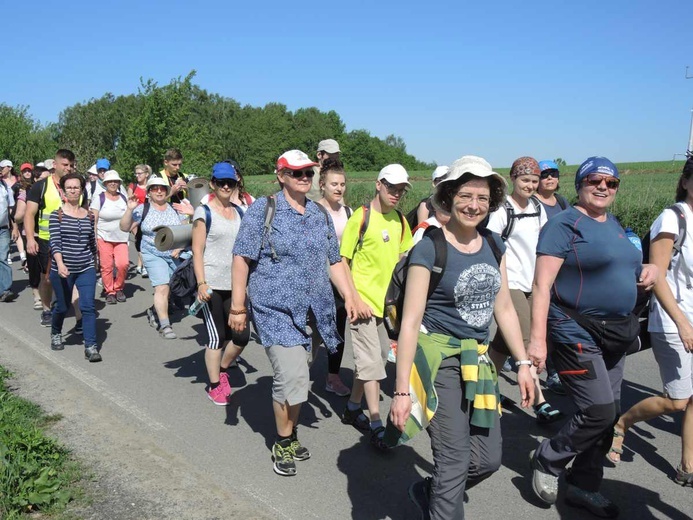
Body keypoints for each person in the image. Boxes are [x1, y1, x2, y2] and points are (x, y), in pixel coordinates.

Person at [389, 155, 534, 520]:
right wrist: (402, 390)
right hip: (440, 363)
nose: (474, 205)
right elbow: (410, 323)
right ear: (449, 196)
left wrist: (524, 363)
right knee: (453, 462)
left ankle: (432, 491)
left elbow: (504, 309)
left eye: (483, 198)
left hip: (479, 363)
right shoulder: (430, 247)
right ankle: (443, 502)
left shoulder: (493, 244)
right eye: (466, 195)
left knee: (488, 460)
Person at [527, 156, 657, 518]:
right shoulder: (563, 224)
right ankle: (549, 458)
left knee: (609, 411)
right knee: (599, 409)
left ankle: (584, 485)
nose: (602, 187)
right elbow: (541, 286)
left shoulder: (613, 224)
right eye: (594, 180)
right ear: (580, 184)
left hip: (614, 334)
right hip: (575, 329)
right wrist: (537, 341)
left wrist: (650, 267)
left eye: (610, 183)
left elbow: (629, 266)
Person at [230, 149, 357, 477]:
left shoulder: (319, 214)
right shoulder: (263, 210)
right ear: (281, 175)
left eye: (308, 173)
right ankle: (282, 440)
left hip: (313, 311)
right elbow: (242, 258)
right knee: (292, 376)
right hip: (274, 309)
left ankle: (291, 430)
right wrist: (238, 306)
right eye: (296, 173)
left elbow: (334, 260)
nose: (304, 178)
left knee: (300, 374)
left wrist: (350, 296)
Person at [608, 157, 693, 486]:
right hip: (673, 319)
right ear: (685, 181)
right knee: (677, 400)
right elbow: (657, 278)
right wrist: (683, 323)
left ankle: (687, 465)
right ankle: (622, 424)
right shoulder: (672, 218)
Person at [340, 164, 414, 450]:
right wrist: (353, 298)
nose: (396, 194)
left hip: (387, 306)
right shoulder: (361, 217)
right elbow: (342, 261)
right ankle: (375, 423)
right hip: (362, 305)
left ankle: (352, 406)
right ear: (378, 185)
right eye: (392, 188)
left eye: (401, 190)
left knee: (379, 357)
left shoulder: (399, 221)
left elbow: (404, 259)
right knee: (371, 363)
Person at [486, 156, 561, 424]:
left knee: (504, 341)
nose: (530, 185)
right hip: (509, 283)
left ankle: (485, 387)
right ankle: (539, 399)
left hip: (532, 282)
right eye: (525, 180)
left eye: (534, 180)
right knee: (527, 337)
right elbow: (491, 245)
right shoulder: (501, 210)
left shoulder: (537, 207)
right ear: (514, 179)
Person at [191, 162, 249, 405]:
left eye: (231, 183)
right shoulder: (204, 212)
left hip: (235, 286)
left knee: (241, 336)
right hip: (212, 285)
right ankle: (214, 385)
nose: (226, 186)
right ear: (213, 184)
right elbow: (197, 250)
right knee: (216, 337)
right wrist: (201, 283)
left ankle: (223, 367)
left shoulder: (240, 212)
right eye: (221, 182)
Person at [25, 149, 86, 327]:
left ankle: (79, 317)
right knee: (48, 278)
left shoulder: (77, 186)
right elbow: (30, 214)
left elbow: (86, 213)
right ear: (55, 164)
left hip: (73, 239)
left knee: (74, 277)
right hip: (47, 239)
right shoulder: (41, 186)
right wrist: (30, 238)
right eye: (65, 165)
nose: (69, 168)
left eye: (72, 165)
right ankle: (46, 309)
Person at [120, 176, 183, 339]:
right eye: (155, 188)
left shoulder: (175, 208)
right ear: (149, 192)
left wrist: (180, 247)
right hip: (152, 253)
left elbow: (186, 231)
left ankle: (154, 311)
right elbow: (124, 227)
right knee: (161, 287)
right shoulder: (142, 209)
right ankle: (165, 325)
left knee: (170, 288)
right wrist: (129, 210)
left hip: (173, 254)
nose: (159, 191)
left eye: (162, 188)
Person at [48, 173, 100, 361]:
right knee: (62, 307)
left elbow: (91, 242)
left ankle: (91, 346)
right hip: (63, 269)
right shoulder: (57, 215)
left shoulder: (89, 216)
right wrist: (60, 264)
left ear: (81, 190)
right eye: (69, 187)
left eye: (76, 187)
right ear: (63, 190)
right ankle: (56, 332)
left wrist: (95, 262)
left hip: (86, 267)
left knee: (87, 307)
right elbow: (55, 242)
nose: (72, 190)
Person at [315, 158, 352, 396]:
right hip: (317, 281)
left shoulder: (348, 212)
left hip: (340, 279)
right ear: (322, 185)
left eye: (342, 184)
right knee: (314, 332)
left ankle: (333, 377)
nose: (339, 188)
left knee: (338, 329)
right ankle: (297, 369)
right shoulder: (313, 211)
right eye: (334, 184)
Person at [535, 159, 569, 395]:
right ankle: (551, 371)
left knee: (556, 318)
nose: (550, 178)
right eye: (545, 174)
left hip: (562, 267)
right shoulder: (532, 203)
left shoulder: (563, 202)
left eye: (553, 174)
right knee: (541, 321)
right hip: (539, 265)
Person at [91, 170, 129, 304]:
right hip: (103, 236)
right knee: (106, 266)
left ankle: (118, 287)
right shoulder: (99, 198)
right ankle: (110, 291)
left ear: (119, 183)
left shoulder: (124, 198)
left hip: (121, 237)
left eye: (115, 181)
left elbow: (129, 216)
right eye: (110, 181)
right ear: (105, 183)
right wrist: (93, 239)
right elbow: (93, 220)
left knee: (123, 264)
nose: (113, 183)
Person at [128, 164, 152, 277]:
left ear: (146, 174)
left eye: (139, 173)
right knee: (139, 240)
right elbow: (129, 203)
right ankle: (144, 266)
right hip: (135, 217)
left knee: (145, 241)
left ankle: (143, 266)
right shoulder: (132, 186)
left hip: (148, 217)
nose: (137, 175)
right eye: (136, 173)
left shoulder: (151, 186)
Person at [0, 160, 18, 302]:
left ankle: (6, 289)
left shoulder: (5, 187)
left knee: (3, 257)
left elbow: (11, 209)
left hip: (3, 229)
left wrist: (15, 226)